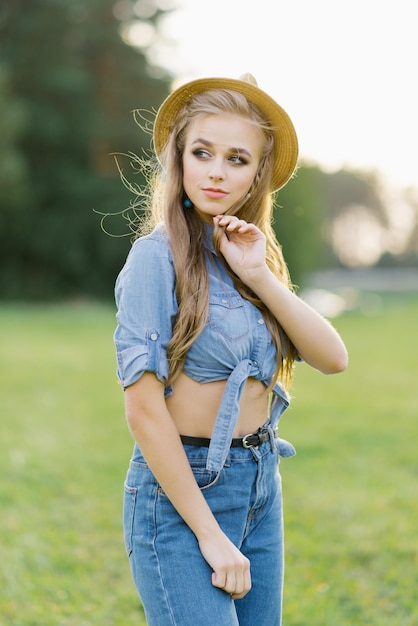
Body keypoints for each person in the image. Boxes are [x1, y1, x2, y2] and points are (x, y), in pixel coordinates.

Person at [113, 73, 348, 626]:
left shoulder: (245, 255)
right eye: (203, 152)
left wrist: (260, 276)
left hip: (260, 480)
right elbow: (143, 412)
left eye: (237, 159)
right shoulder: (155, 260)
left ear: (256, 175)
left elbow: (333, 357)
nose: (217, 171)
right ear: (180, 159)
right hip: (183, 491)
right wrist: (210, 535)